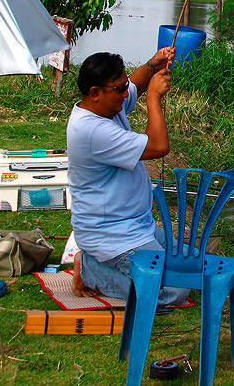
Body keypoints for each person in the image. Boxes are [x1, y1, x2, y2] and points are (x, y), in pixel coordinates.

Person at [67, 47, 189, 306]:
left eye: (123, 86)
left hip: (136, 227)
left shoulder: (107, 106)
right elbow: (158, 146)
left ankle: (97, 264)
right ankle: (90, 269)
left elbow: (135, 83)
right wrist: (153, 98)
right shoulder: (91, 130)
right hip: (112, 236)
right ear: (95, 93)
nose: (126, 93)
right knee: (175, 290)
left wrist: (152, 65)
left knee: (192, 264)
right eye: (119, 89)